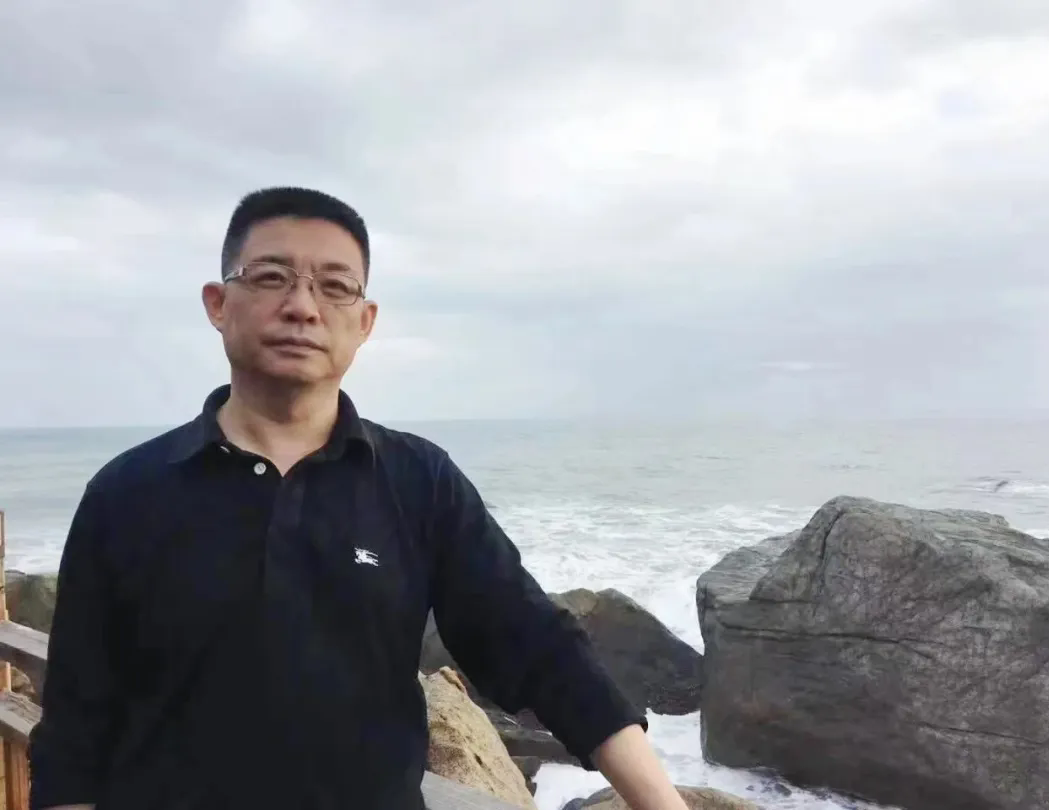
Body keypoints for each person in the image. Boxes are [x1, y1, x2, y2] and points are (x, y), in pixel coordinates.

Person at [29, 187, 692, 810]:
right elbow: (74, 730)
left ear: (365, 321)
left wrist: (663, 802)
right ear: (218, 303)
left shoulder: (418, 482)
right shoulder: (127, 494)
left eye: (335, 286)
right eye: (271, 277)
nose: (302, 307)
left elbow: (540, 650)